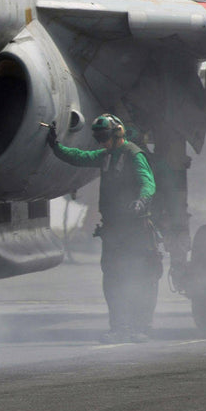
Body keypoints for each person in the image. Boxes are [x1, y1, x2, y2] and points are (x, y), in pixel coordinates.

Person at [47, 114, 161, 343]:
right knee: (113, 279)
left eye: (104, 136)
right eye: (98, 137)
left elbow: (148, 182)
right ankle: (119, 327)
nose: (101, 141)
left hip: (136, 230)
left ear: (117, 133)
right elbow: (79, 157)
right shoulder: (107, 155)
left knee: (142, 277)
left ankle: (142, 327)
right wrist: (55, 146)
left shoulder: (133, 154)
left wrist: (141, 201)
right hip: (114, 230)